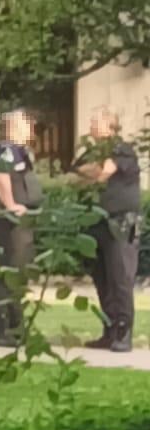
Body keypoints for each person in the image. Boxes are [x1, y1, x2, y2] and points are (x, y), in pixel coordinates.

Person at [74, 108, 141, 352]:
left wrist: (93, 173)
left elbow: (103, 172)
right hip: (96, 223)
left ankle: (123, 332)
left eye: (96, 120)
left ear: (110, 126)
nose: (91, 124)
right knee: (102, 278)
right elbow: (75, 173)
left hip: (120, 222)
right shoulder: (91, 152)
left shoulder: (121, 148)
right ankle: (109, 330)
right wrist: (90, 172)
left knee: (120, 278)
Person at [0, 110, 44, 347]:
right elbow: (1, 178)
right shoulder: (6, 150)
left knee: (19, 273)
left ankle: (17, 327)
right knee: (9, 273)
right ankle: (3, 330)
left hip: (23, 220)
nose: (30, 127)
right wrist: (11, 206)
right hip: (11, 222)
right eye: (25, 124)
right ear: (13, 127)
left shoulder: (21, 152)